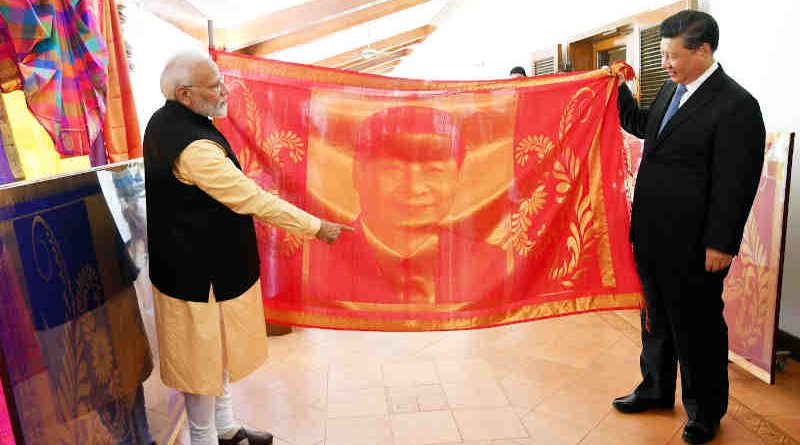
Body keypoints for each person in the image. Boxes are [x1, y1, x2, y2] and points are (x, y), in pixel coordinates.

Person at [143, 51, 350, 445]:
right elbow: (251, 199)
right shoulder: (191, 146)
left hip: (208, 270)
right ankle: (204, 438)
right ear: (184, 93)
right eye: (214, 85)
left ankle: (225, 429)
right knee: (199, 365)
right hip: (193, 275)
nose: (224, 90)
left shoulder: (177, 121)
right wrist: (317, 227)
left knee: (214, 352)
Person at [610, 10, 765, 445]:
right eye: (662, 55)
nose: (666, 64)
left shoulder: (736, 105)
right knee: (655, 319)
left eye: (673, 56)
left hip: (696, 244)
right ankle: (656, 389)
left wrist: (722, 242)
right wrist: (617, 91)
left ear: (704, 50)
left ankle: (705, 410)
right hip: (652, 234)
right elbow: (645, 128)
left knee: (696, 327)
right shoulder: (669, 91)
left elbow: (736, 183)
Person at [307, 106, 506, 308]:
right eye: (394, 169)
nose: (415, 188)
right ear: (358, 173)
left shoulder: (489, 263)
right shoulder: (316, 263)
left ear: (458, 176)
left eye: (434, 170)